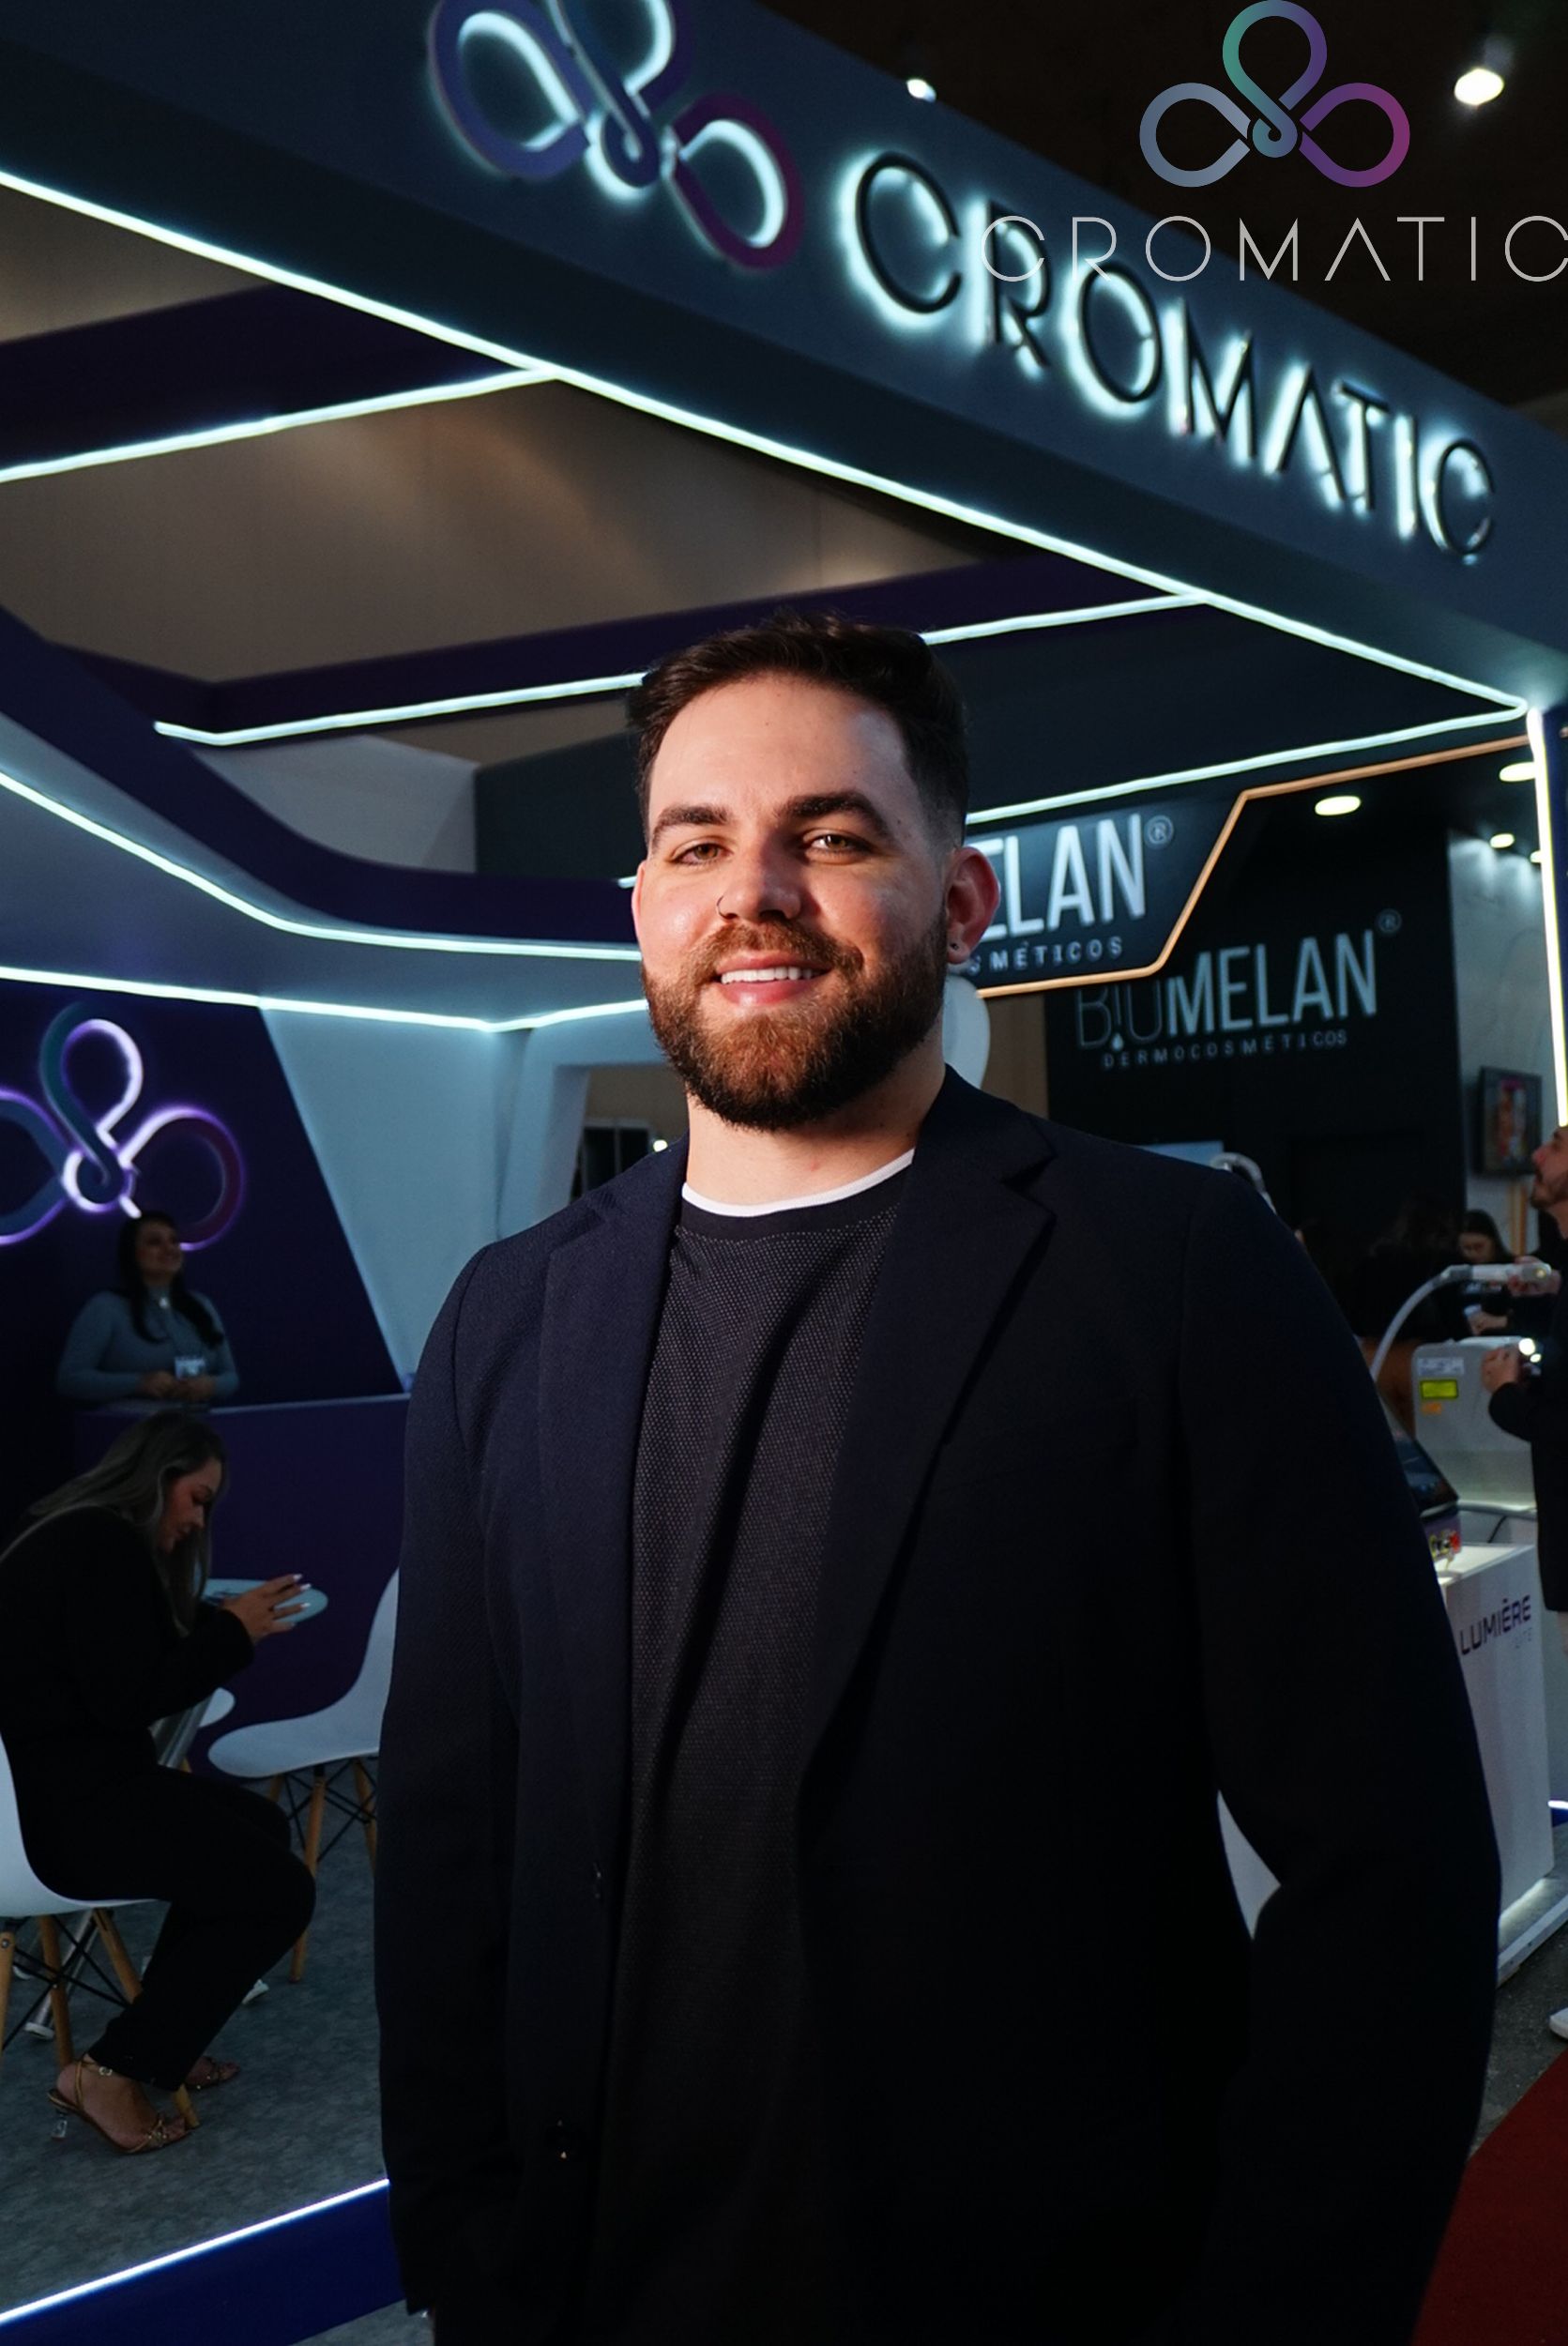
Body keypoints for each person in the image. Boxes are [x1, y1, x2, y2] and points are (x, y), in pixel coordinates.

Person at [375, 611, 1499, 2346]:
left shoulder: (1174, 1272)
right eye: (696, 846)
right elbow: (453, 1840)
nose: (753, 891)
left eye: (829, 837)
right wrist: (467, 2254)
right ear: (641, 909)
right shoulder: (506, 1318)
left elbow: (1390, 1873)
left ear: (960, 903)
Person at [0, 1412, 313, 2154]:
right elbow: (133, 1696)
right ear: (158, 1476)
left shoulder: (70, 1534)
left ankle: (166, 2038)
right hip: (65, 1818)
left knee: (259, 1831)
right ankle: (111, 2070)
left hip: (56, 1799)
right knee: (280, 1890)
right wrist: (232, 1632)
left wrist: (213, 1626)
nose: (198, 1520)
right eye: (197, 1498)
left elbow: (116, 1664)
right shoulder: (101, 1542)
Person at [56, 1211, 238, 1408]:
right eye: (154, 1242)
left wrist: (211, 1385)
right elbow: (70, 1379)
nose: (169, 1249)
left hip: (197, 1423)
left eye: (174, 1241)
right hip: (132, 1425)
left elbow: (231, 1377)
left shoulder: (201, 1305)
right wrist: (138, 1383)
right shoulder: (105, 1307)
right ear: (132, 1254)